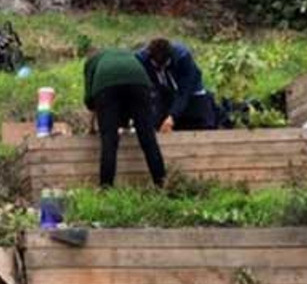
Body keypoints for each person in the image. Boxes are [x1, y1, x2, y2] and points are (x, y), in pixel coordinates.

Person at [83, 47, 166, 187]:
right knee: (148, 137)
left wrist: (91, 127)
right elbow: (127, 101)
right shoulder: (127, 55)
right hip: (139, 83)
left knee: (109, 140)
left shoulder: (91, 62)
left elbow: (90, 100)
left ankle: (106, 188)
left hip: (106, 86)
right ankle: (162, 183)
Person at [136, 39, 216, 131]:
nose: (160, 69)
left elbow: (184, 92)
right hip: (164, 91)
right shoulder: (142, 59)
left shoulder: (183, 58)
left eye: (163, 66)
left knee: (198, 118)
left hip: (192, 94)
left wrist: (172, 116)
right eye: (157, 67)